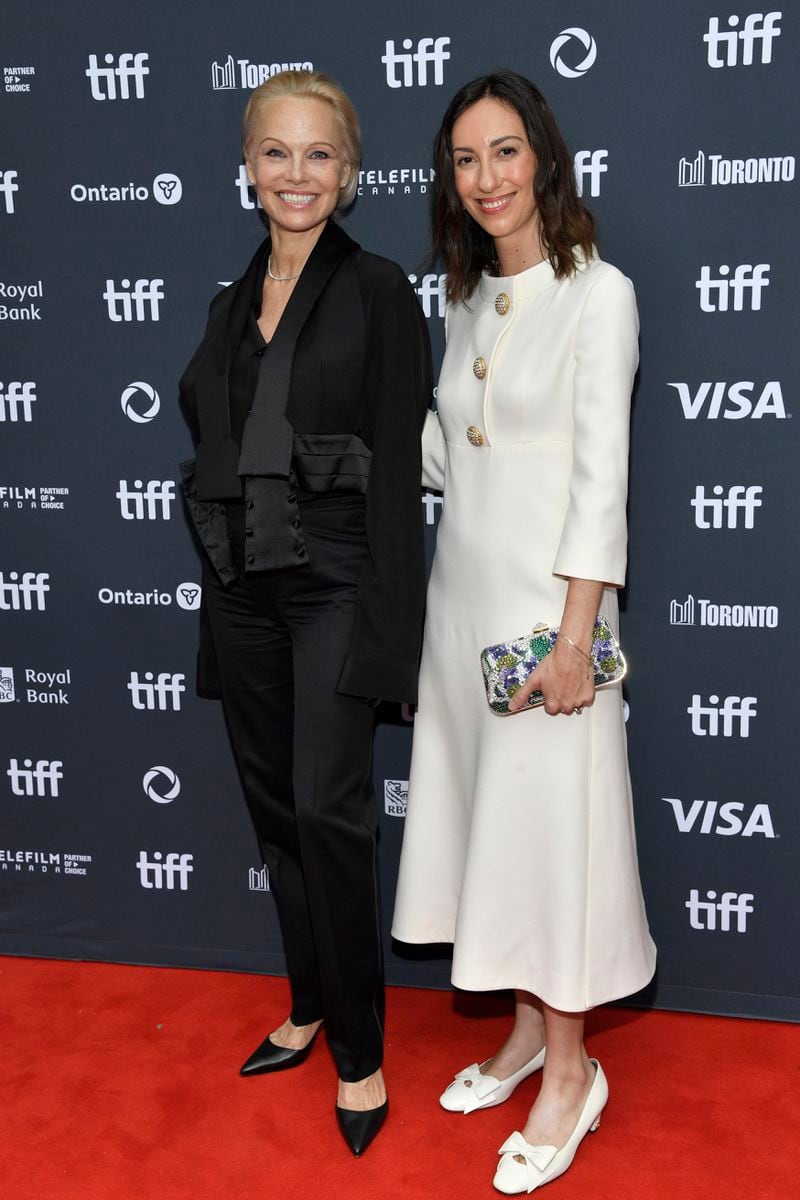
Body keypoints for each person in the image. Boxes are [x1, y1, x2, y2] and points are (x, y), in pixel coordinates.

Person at [392, 70, 656, 1193]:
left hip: (548, 630)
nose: (485, 177)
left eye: (503, 152)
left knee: (555, 847)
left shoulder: (598, 295)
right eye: (463, 159)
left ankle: (568, 1074)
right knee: (491, 839)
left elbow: (600, 482)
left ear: (542, 159)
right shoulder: (456, 303)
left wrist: (571, 640)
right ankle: (515, 1034)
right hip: (462, 617)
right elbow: (448, 458)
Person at [178, 69, 432, 1156]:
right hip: (242, 581)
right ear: (247, 169)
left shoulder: (377, 291)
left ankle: (362, 1053)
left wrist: (388, 626)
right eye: (275, 153)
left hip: (336, 582)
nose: (296, 173)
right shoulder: (225, 308)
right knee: (276, 809)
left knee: (330, 812)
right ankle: (308, 1000)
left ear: (350, 171)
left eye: (318, 154)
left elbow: (390, 484)